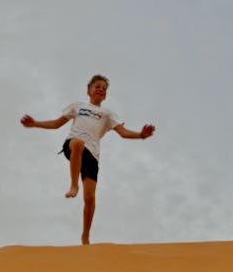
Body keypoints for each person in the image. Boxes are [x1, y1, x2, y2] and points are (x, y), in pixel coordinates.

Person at [21, 74, 155, 244]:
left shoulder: (108, 113)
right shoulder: (78, 106)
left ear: (105, 95)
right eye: (97, 86)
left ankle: (85, 235)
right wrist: (35, 124)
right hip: (73, 145)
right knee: (77, 143)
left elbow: (123, 133)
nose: (100, 89)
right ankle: (73, 184)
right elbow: (56, 124)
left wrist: (141, 135)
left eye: (104, 89)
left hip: (92, 154)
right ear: (89, 91)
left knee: (90, 199)